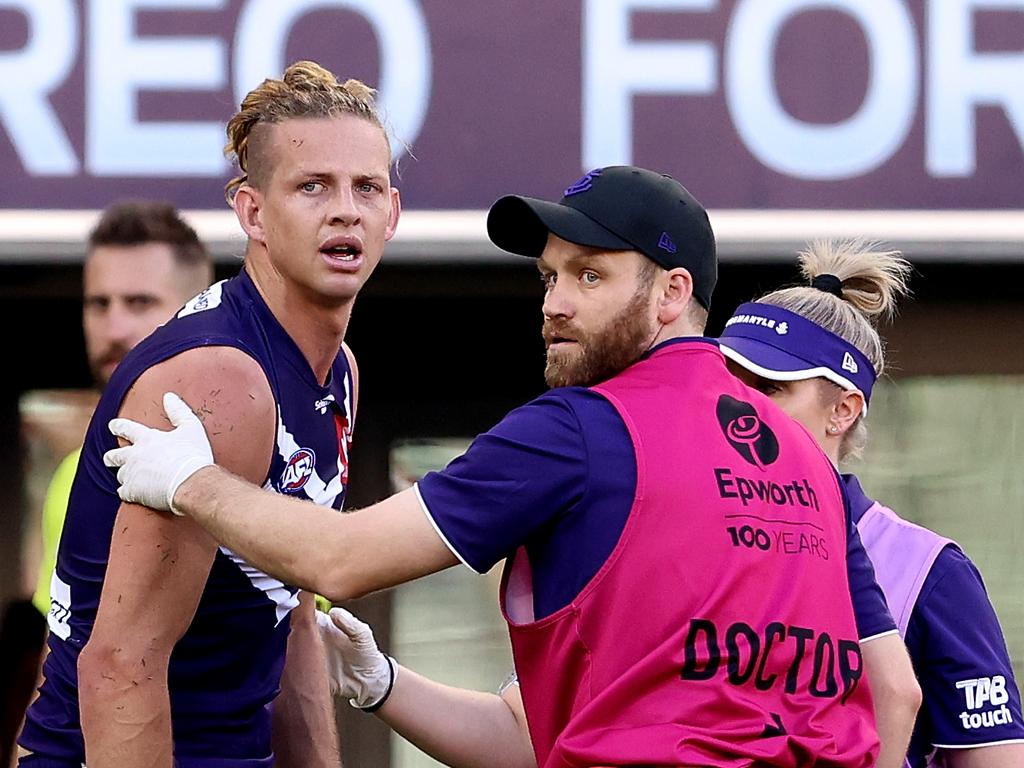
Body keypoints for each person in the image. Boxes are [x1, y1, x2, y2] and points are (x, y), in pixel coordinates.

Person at [106, 166, 904, 766]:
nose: (556, 302)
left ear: (672, 294)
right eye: (550, 276)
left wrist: (191, 480)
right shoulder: (805, 458)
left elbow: (338, 559)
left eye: (591, 276)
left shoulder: (581, 430)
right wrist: (382, 682)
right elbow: (891, 689)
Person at [18, 60, 400, 767]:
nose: (345, 208)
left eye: (366, 187)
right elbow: (120, 666)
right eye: (312, 185)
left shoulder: (338, 372)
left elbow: (292, 619)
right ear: (252, 212)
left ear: (392, 213)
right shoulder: (222, 380)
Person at [716, 240, 1024, 768]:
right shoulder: (675, 535)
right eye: (725, 385)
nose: (736, 408)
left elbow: (994, 760)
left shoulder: (928, 570)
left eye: (769, 388)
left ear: (842, 410)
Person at [32, 201, 215, 620]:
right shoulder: (74, 472)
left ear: (195, 311)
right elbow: (61, 645)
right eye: (99, 304)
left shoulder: (259, 450)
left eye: (139, 303)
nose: (113, 329)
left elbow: (297, 640)